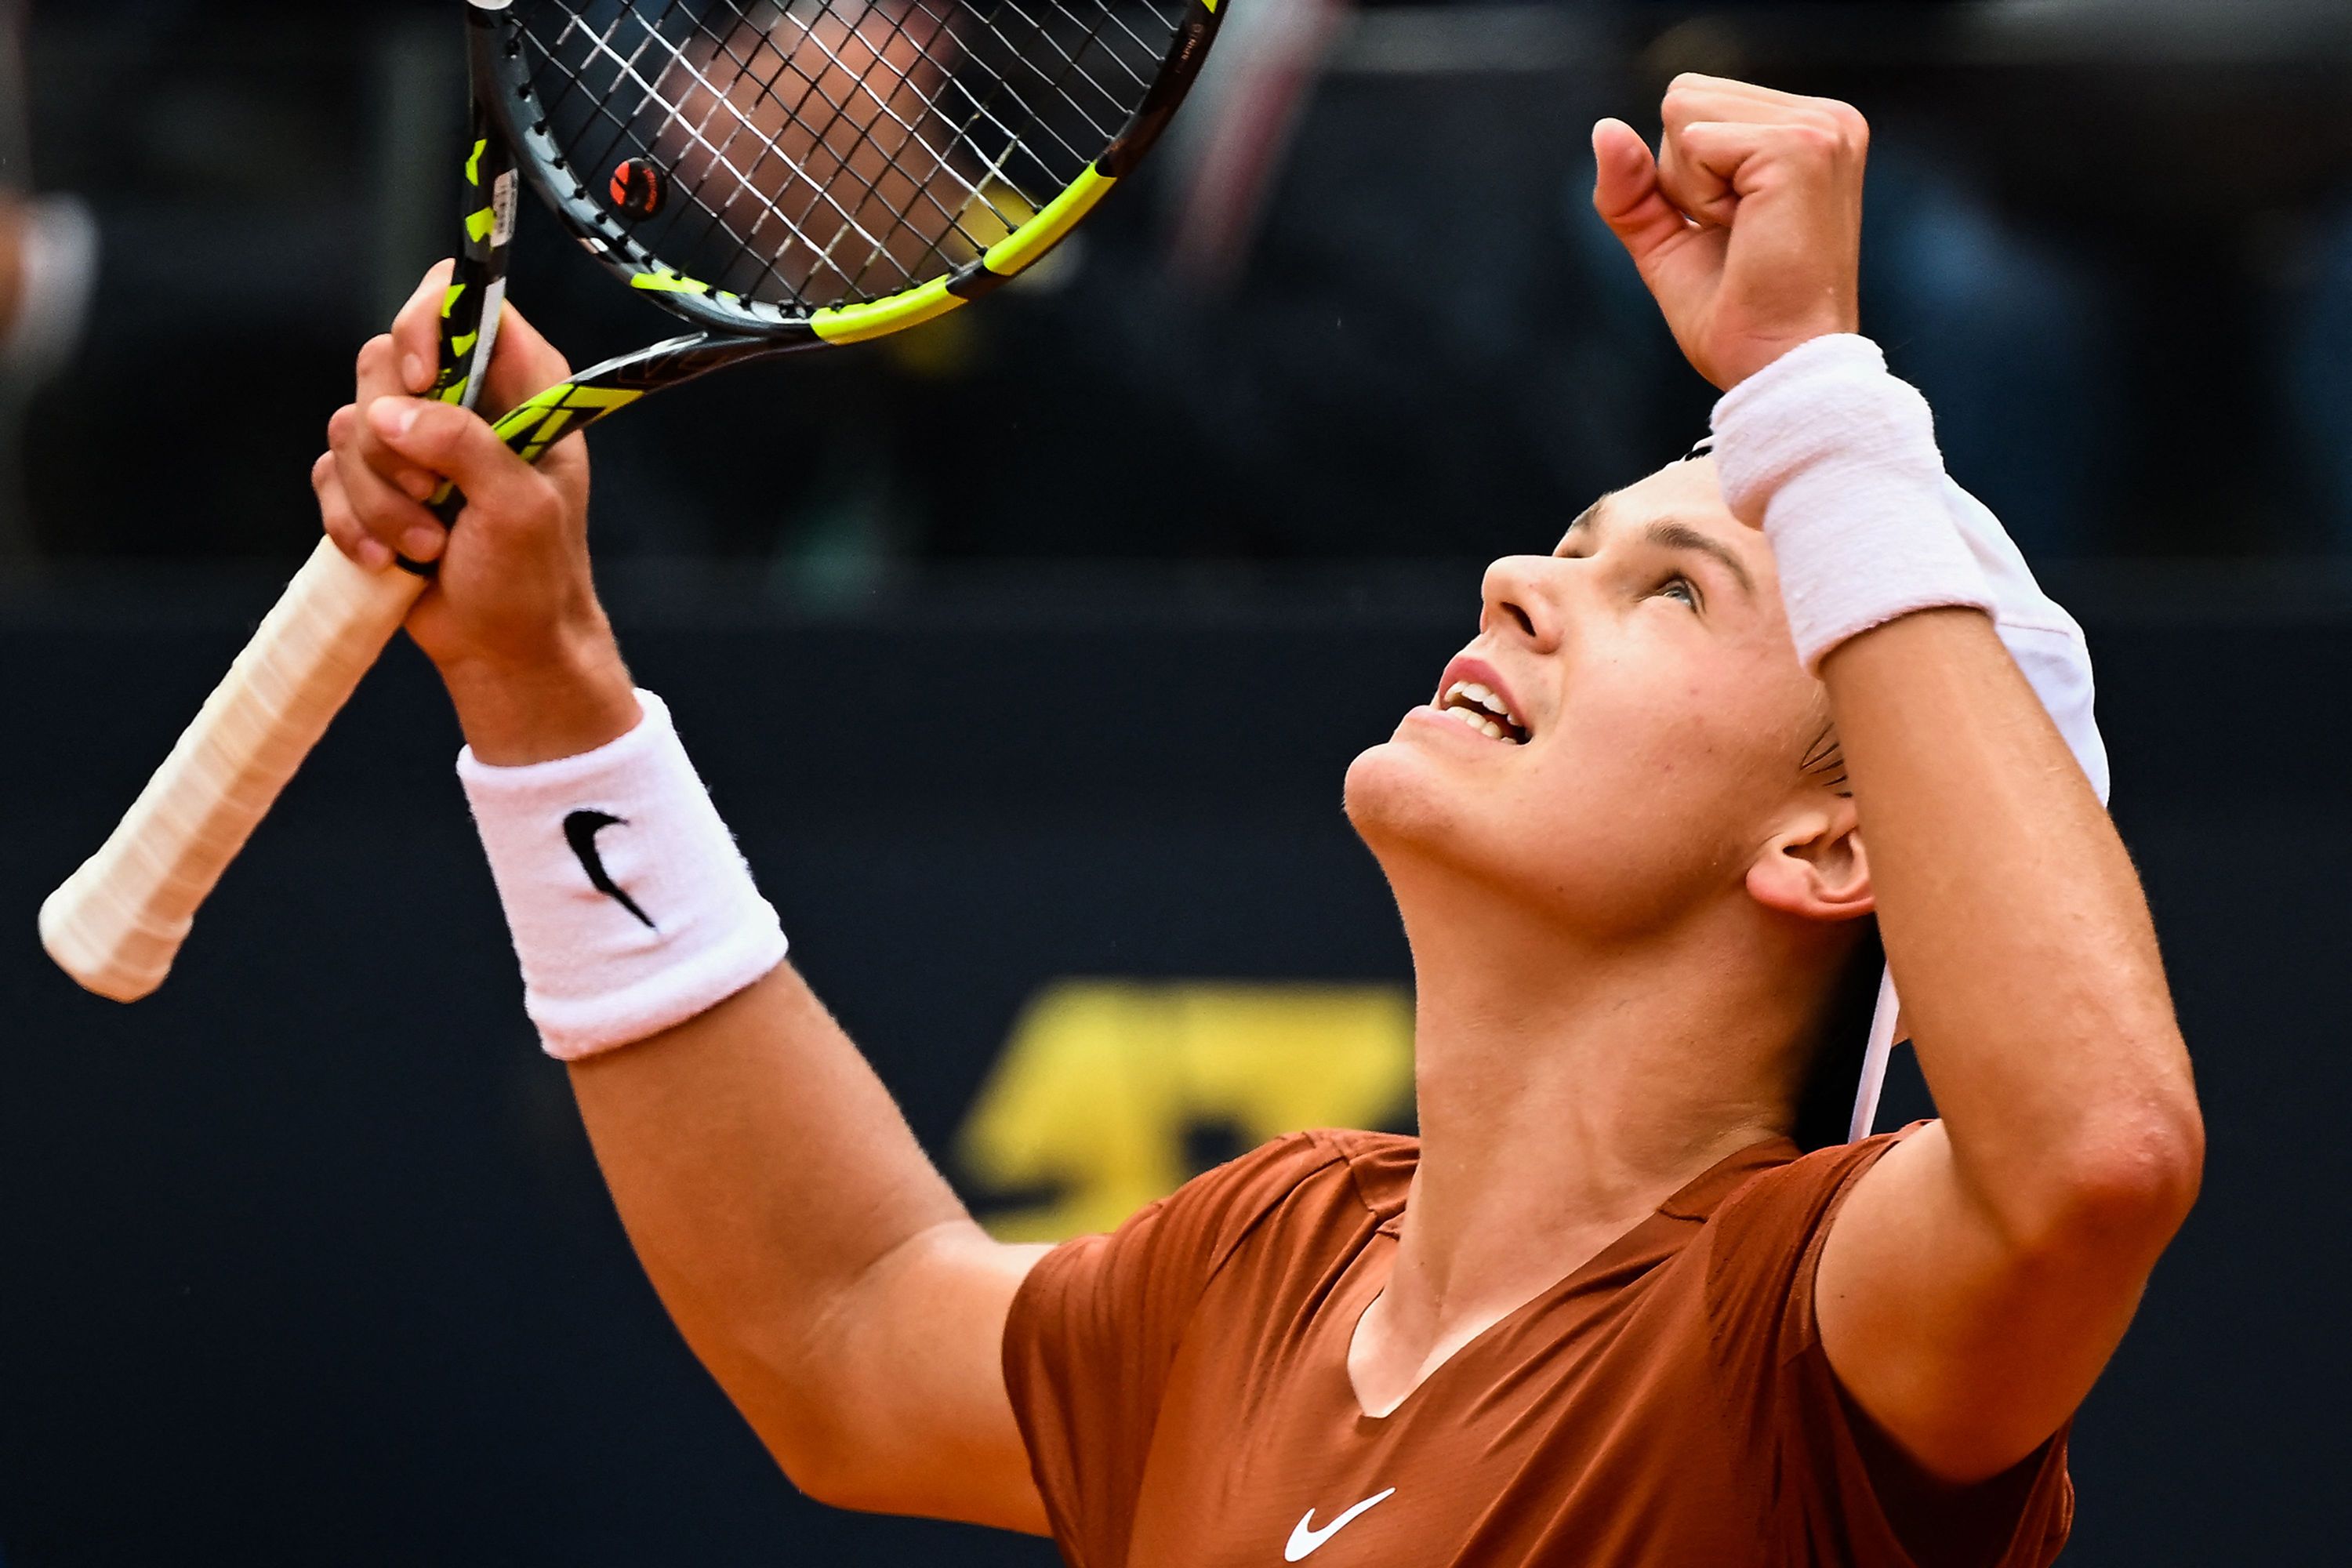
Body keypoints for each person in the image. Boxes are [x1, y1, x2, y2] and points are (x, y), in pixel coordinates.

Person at [312, 75, 2201, 1566]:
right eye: (1570, 543)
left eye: (1678, 591)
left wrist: (1815, 396)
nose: (1517, 585)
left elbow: (2093, 1156)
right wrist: (548, 688)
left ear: (1835, 847)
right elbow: (841, 1320)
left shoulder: (1800, 1334)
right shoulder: (1266, 1262)